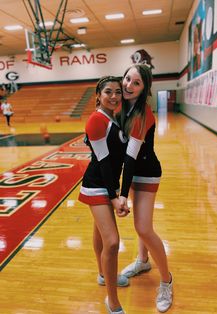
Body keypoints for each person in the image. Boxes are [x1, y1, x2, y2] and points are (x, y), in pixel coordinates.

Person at [116, 64, 173, 313]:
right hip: (132, 172)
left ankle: (167, 281)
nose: (128, 85)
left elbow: (130, 158)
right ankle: (142, 261)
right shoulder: (120, 106)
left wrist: (121, 194)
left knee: (143, 227)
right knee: (141, 223)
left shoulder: (143, 113)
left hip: (147, 174)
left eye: (136, 82)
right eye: (127, 78)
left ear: (144, 89)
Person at [79, 76, 130, 314]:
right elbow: (104, 162)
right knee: (112, 242)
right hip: (97, 184)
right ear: (98, 95)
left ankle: (103, 274)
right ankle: (112, 301)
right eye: (108, 92)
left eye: (118, 92)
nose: (113, 96)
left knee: (100, 232)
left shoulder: (113, 117)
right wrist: (114, 196)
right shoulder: (97, 120)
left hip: (107, 183)